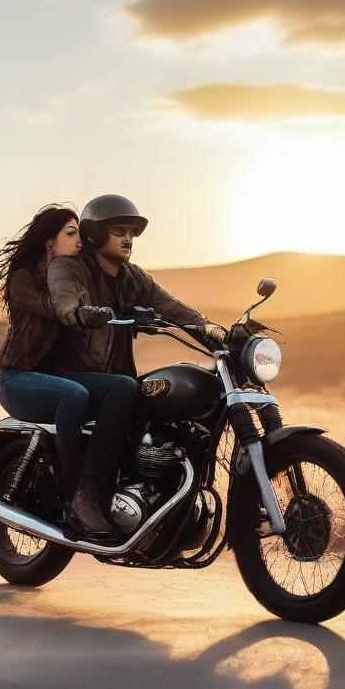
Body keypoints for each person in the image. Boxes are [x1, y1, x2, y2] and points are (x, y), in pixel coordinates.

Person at [46, 194, 224, 522]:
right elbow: (63, 299)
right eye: (119, 231)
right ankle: (87, 495)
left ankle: (165, 490)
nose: (128, 238)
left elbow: (170, 306)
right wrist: (81, 313)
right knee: (125, 389)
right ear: (96, 234)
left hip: (117, 376)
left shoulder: (132, 276)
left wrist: (212, 330)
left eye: (132, 232)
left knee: (174, 393)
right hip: (74, 377)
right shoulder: (69, 267)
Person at [0, 204, 127, 542]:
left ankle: (101, 485)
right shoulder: (24, 279)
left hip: (56, 378)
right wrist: (81, 312)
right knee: (76, 395)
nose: (79, 242)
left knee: (125, 389)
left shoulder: (74, 276)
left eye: (79, 235)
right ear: (49, 242)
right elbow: (59, 307)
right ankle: (77, 496)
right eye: (70, 234)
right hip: (17, 379)